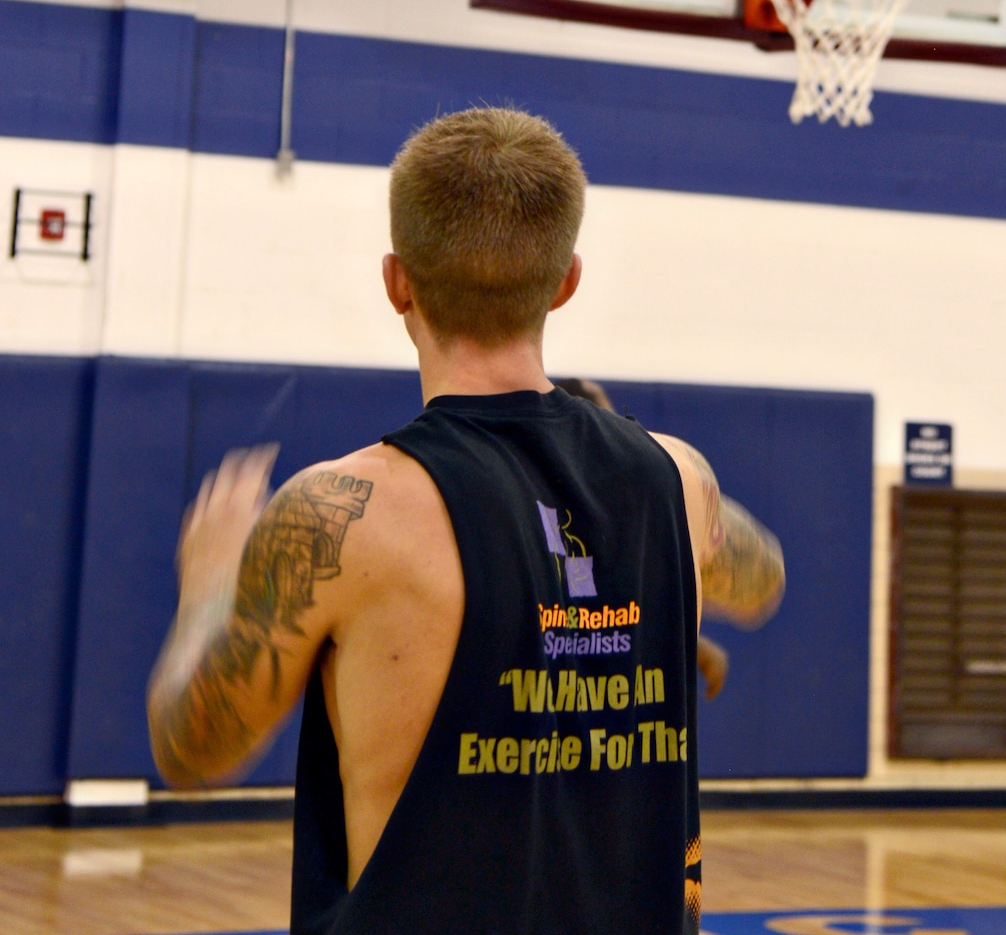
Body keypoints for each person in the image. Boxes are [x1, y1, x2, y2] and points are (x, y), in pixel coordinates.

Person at [146, 106, 785, 935]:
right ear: (564, 282)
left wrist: (206, 587)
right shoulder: (678, 478)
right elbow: (759, 575)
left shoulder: (338, 514)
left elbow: (194, 746)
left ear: (397, 282)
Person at [555, 377, 731, 702]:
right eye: (604, 425)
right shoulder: (552, 510)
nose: (614, 439)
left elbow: (604, 611)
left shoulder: (618, 507)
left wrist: (692, 645)